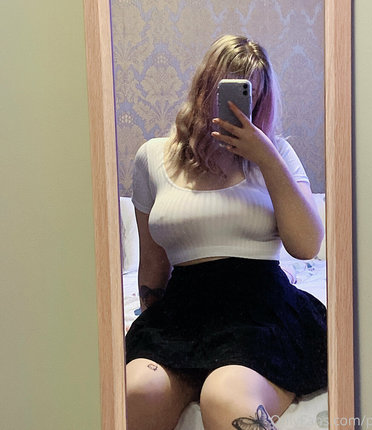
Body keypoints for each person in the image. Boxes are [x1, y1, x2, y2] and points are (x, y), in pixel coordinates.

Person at [125, 35, 327, 430]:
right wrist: (153, 330)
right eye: (226, 90)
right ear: (205, 88)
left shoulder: (278, 155)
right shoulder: (152, 156)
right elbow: (152, 264)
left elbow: (306, 246)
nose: (240, 106)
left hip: (260, 312)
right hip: (183, 312)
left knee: (225, 397)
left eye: (252, 94)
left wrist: (265, 155)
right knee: (138, 391)